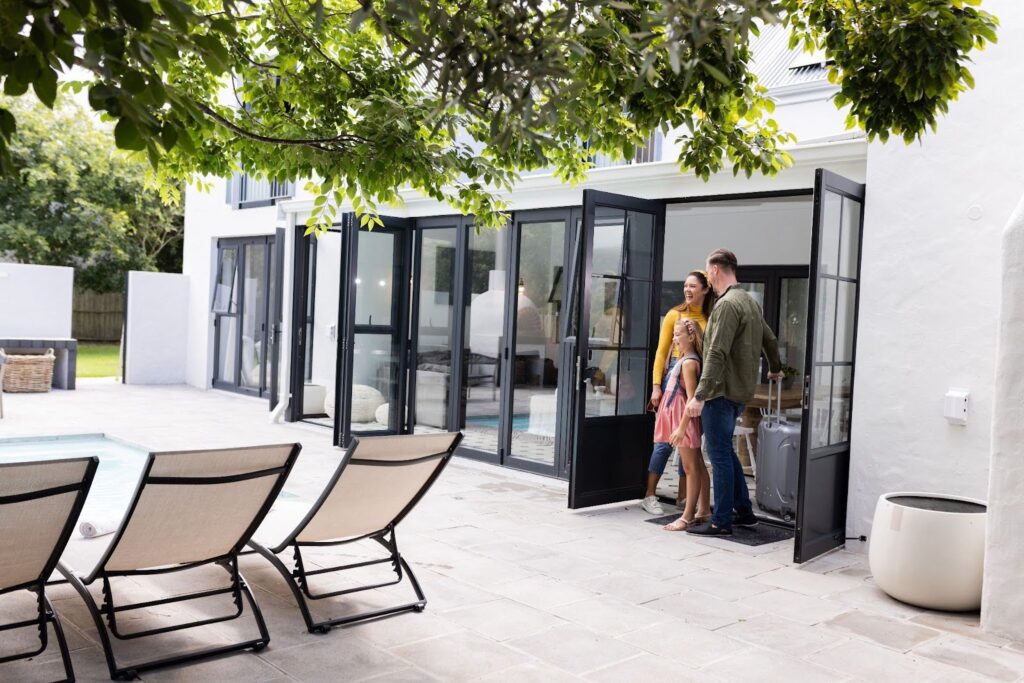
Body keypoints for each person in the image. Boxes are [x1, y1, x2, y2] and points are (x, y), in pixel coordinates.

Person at [684, 249, 783, 536]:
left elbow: (716, 354)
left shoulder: (726, 305)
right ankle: (745, 513)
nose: (707, 277)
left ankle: (721, 521)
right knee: (726, 452)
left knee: (720, 457)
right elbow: (770, 338)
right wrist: (775, 367)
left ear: (715, 270)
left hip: (720, 393)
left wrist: (699, 395)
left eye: (706, 271)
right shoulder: (749, 302)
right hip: (739, 394)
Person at [640, 270, 715, 515]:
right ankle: (650, 495)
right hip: (674, 372)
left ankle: (685, 497)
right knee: (664, 442)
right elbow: (662, 351)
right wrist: (655, 386)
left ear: (705, 289)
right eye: (685, 285)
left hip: (697, 372)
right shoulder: (674, 314)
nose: (687, 290)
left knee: (689, 442)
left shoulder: (711, 317)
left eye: (693, 286)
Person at [660, 319, 711, 530]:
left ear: (691, 337)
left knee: (690, 468)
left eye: (678, 334)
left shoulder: (689, 363)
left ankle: (687, 516)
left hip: (685, 422)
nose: (674, 338)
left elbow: (692, 399)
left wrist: (681, 428)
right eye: (673, 334)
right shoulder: (684, 360)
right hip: (683, 420)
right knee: (697, 464)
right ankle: (704, 509)